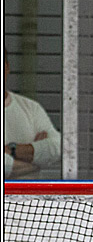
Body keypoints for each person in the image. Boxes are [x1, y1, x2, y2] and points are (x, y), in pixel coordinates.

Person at [4, 48, 61, 178]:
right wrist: (36, 160)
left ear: (7, 68)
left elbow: (58, 147)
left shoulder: (30, 108)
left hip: (29, 197)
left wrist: (12, 150)